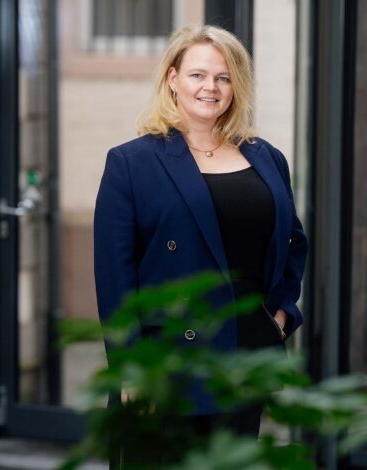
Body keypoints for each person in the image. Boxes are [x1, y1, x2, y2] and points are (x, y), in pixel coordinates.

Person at [94, 24, 307, 443]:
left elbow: (293, 242)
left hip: (244, 360)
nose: (211, 87)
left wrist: (280, 314)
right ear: (173, 79)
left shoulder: (266, 157)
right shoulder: (131, 164)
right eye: (198, 75)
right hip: (168, 367)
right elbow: (115, 279)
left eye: (223, 77)